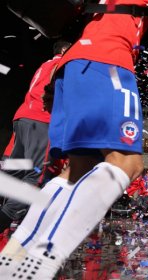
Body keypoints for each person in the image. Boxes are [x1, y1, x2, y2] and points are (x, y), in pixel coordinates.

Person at [0, 0, 148, 278]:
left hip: (69, 68)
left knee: (75, 172)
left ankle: (14, 260)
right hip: (108, 62)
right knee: (127, 164)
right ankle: (40, 262)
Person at [0, 40, 71, 247]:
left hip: (22, 117)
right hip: (41, 118)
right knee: (35, 172)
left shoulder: (44, 64)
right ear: (65, 51)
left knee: (16, 169)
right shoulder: (63, 64)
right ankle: (5, 217)